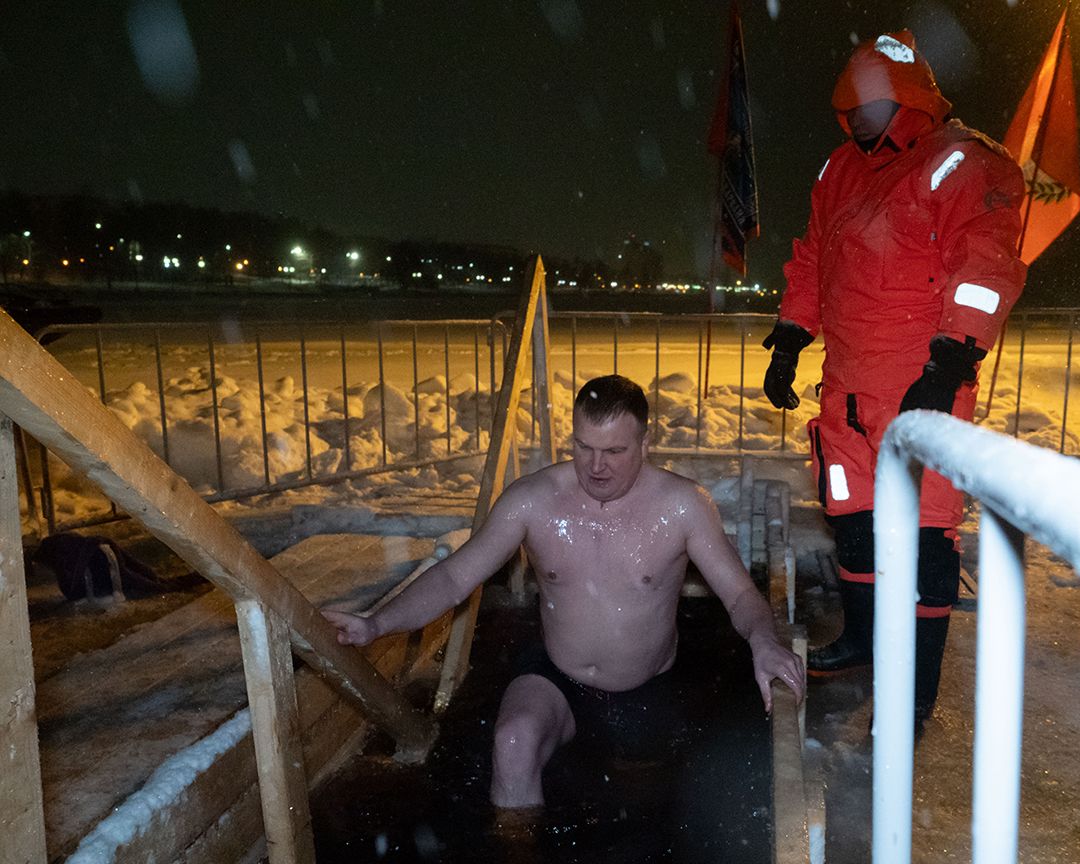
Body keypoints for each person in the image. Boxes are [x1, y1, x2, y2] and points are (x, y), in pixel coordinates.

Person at [323, 374, 804, 808]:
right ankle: (517, 848)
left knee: (645, 801)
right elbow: (454, 578)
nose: (596, 466)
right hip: (556, 674)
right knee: (512, 743)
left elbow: (739, 595)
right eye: (583, 447)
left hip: (647, 688)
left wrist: (763, 642)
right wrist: (376, 623)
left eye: (614, 451)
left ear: (646, 443)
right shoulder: (533, 500)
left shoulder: (682, 507)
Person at [760, 31, 1026, 726]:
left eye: (869, 108)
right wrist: (792, 334)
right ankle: (863, 641)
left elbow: (986, 264)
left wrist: (952, 361)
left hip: (920, 387)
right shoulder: (840, 169)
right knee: (853, 521)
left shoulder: (961, 160)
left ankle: (914, 688)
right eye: (849, 111)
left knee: (926, 535)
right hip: (846, 389)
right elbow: (814, 257)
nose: (856, 122)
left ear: (906, 100)